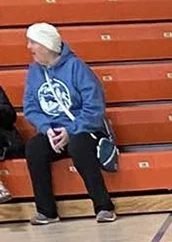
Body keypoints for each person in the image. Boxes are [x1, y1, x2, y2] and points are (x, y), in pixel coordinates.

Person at [22, 23, 115, 225]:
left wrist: (70, 130)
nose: (29, 47)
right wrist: (47, 130)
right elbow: (30, 108)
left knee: (79, 146)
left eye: (32, 42)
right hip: (53, 132)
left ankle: (104, 206)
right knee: (34, 148)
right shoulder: (34, 72)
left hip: (85, 129)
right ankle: (47, 211)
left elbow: (94, 108)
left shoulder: (77, 67)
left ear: (46, 45)